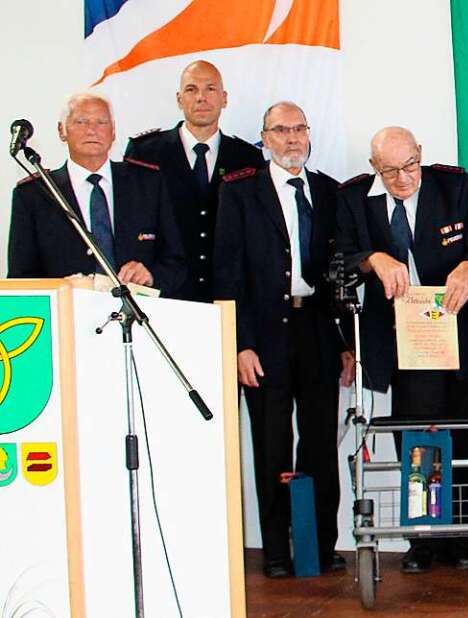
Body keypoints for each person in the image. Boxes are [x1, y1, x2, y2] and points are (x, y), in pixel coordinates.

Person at [336, 126, 468, 574]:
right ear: (374, 168)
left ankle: (466, 535)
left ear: (420, 155)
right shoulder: (353, 199)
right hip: (401, 339)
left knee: (467, 432)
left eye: (409, 166)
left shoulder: (453, 185)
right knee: (417, 436)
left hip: (456, 329)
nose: (403, 178)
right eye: (390, 171)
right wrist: (373, 259)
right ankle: (423, 537)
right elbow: (338, 259)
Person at [213, 101, 352, 578]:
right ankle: (275, 551)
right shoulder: (239, 192)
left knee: (319, 445)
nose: (292, 139)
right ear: (264, 138)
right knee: (271, 444)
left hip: (316, 328)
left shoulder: (331, 192)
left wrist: (345, 343)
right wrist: (240, 344)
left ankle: (318, 545)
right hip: (264, 334)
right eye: (281, 130)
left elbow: (342, 273)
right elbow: (226, 273)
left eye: (299, 129)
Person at [8, 92, 185, 295]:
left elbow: (176, 263)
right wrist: (62, 288)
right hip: (68, 316)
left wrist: (151, 275)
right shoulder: (35, 194)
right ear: (61, 131)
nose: (92, 130)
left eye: (101, 122)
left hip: (137, 314)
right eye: (81, 121)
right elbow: (21, 280)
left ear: (113, 132)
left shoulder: (148, 183)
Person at [125, 60, 264, 302]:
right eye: (191, 89)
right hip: (164, 294)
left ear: (224, 98)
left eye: (210, 89)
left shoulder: (247, 157)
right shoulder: (146, 152)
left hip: (228, 298)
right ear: (179, 99)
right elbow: (132, 222)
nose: (201, 97)